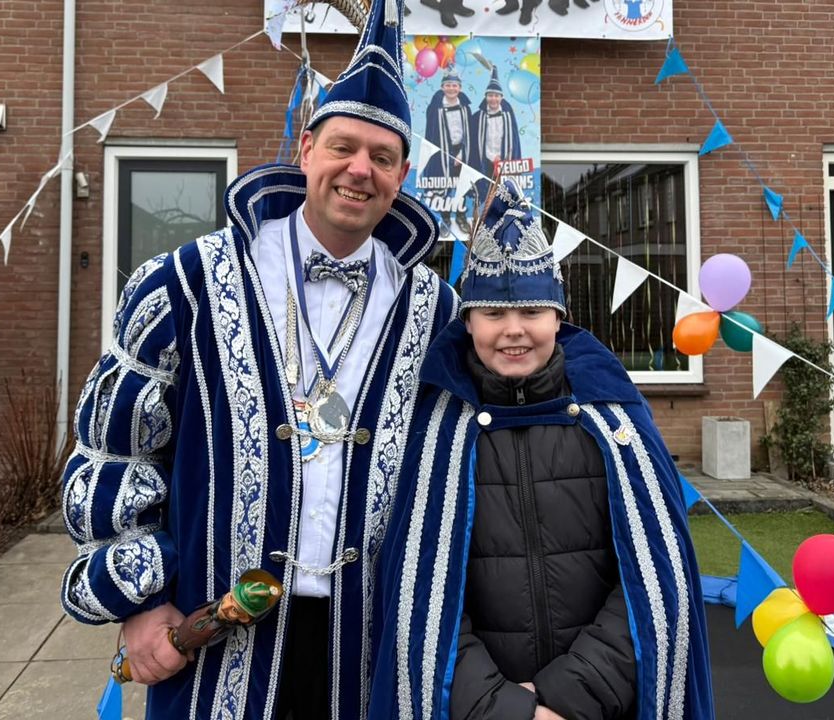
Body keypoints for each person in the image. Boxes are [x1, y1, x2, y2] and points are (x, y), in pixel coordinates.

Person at [58, 1, 458, 717]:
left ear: (401, 177)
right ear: (306, 149)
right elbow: (115, 452)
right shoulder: (181, 283)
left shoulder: (437, 309)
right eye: (344, 147)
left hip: (371, 644)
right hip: (215, 634)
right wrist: (143, 603)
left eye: (384, 157)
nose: (360, 170)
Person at [369, 181, 714, 720]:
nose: (514, 331)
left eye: (532, 311)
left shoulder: (615, 419)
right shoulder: (435, 431)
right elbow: (419, 597)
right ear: (468, 322)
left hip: (598, 705)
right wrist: (506, 709)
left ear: (559, 316)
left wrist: (567, 698)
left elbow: (653, 580)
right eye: (493, 314)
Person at [421, 70, 473, 239]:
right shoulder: (435, 108)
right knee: (444, 185)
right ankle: (445, 219)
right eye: (448, 85)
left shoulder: (465, 108)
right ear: (443, 87)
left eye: (455, 85)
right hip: (441, 151)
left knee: (462, 186)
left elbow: (470, 133)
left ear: (460, 88)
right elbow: (431, 133)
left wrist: (463, 153)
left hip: (461, 150)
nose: (452, 88)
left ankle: (461, 217)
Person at [468, 67, 521, 190]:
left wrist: (505, 160)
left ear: (501, 98)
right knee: (486, 194)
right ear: (486, 97)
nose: (493, 99)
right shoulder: (477, 118)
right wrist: (493, 158)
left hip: (504, 164)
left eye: (496, 96)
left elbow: (514, 142)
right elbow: (474, 144)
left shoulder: (508, 117)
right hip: (484, 163)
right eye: (490, 95)